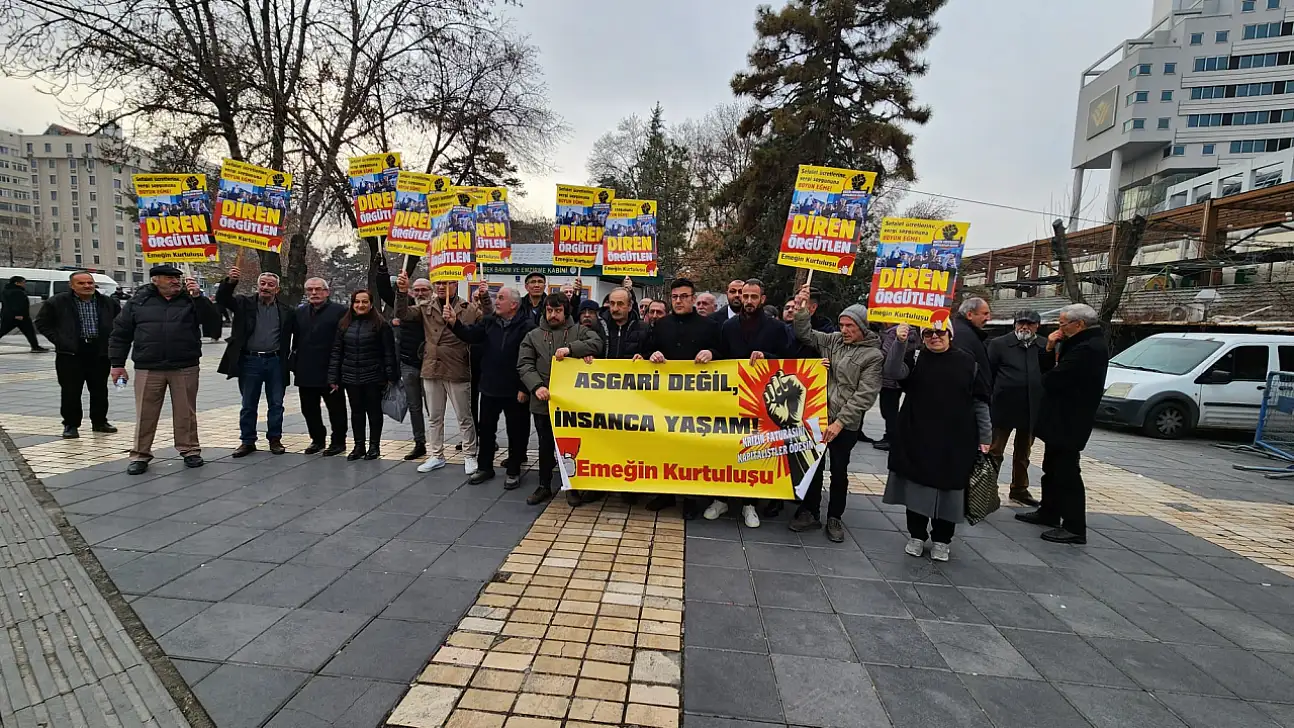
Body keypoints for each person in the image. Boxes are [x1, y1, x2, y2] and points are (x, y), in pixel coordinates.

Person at [882, 319, 991, 562]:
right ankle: (917, 535)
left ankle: (942, 539)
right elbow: (892, 372)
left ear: (949, 334)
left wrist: (985, 436)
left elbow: (980, 402)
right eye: (928, 333)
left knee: (949, 491)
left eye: (940, 332)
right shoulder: (917, 357)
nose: (934, 337)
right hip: (917, 434)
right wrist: (900, 343)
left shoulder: (968, 362)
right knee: (916, 488)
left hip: (955, 438)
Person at [788, 286, 884, 541]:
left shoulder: (873, 356)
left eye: (850, 326)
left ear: (863, 327)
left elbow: (864, 395)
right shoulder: (833, 342)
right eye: (842, 325)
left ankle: (835, 517)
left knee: (839, 471)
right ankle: (810, 512)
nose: (844, 330)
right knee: (814, 467)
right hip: (820, 418)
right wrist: (801, 309)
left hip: (846, 425)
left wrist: (840, 423)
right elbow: (805, 333)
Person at [109, 264, 216, 475]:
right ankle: (140, 454)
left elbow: (212, 322)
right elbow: (120, 333)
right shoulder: (138, 301)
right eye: (169, 278)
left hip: (185, 365)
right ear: (155, 280)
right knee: (145, 413)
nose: (175, 281)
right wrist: (117, 364)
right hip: (148, 366)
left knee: (186, 412)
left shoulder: (190, 299)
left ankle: (190, 450)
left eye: (177, 278)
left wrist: (199, 298)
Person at [1016, 303, 1109, 545]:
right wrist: (1049, 348)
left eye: (1063, 324)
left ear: (1079, 324)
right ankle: (1049, 511)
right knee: (1052, 467)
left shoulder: (1089, 348)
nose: (1060, 328)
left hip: (1071, 420)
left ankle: (1074, 526)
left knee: (1067, 473)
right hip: (1059, 418)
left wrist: (1048, 353)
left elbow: (1052, 379)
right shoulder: (1079, 342)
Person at [706, 278, 790, 528]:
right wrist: (711, 354)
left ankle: (749, 503)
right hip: (730, 398)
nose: (749, 301)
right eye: (745, 296)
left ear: (762, 299)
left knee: (754, 451)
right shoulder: (729, 326)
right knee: (726, 448)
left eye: (754, 297)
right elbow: (721, 354)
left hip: (762, 402)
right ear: (740, 298)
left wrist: (767, 357)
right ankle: (720, 499)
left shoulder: (776, 328)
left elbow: (789, 361)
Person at [638, 278, 721, 519]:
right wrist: (651, 355)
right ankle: (665, 495)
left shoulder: (709, 326)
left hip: (697, 401)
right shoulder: (660, 325)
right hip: (665, 400)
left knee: (692, 449)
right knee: (664, 446)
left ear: (693, 299)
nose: (679, 301)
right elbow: (645, 352)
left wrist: (711, 353)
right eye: (675, 297)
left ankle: (691, 499)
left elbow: (725, 353)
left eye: (684, 296)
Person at [396, 273, 490, 475]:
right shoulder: (426, 306)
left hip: (457, 366)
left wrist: (484, 297)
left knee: (464, 416)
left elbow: (488, 321)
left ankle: (469, 455)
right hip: (432, 366)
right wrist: (402, 292)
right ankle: (436, 455)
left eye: (446, 283)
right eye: (438, 283)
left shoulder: (468, 308)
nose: (441, 287)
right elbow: (402, 314)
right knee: (435, 416)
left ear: (455, 284)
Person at [518, 291, 602, 506]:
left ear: (566, 312)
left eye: (557, 311)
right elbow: (525, 364)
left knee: (569, 446)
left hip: (571, 404)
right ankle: (544, 485)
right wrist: (536, 386)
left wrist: (572, 349)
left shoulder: (580, 331)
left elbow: (596, 344)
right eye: (549, 310)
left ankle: (571, 486)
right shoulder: (533, 335)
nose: (553, 315)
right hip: (543, 402)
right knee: (545, 445)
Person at [448, 286, 535, 488]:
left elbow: (530, 359)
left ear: (513, 305)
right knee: (486, 431)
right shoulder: (489, 322)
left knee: (517, 432)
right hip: (489, 387)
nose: (496, 301)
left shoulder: (527, 327)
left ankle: (513, 470)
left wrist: (524, 387)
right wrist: (454, 323)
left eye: (501, 298)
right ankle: (485, 467)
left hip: (515, 390)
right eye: (497, 297)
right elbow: (470, 335)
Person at [217, 267, 296, 458]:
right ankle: (247, 441)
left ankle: (275, 439)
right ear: (257, 286)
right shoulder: (244, 304)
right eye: (263, 284)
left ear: (277, 289)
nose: (265, 287)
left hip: (276, 362)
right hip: (250, 361)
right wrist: (230, 282)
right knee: (248, 404)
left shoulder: (286, 311)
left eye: (270, 285)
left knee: (276, 403)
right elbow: (223, 299)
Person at [35, 271, 121, 439]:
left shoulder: (108, 302)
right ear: (72, 285)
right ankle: (71, 424)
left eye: (90, 282)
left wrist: (111, 342)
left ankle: (99, 422)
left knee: (99, 390)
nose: (87, 286)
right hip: (70, 353)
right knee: (70, 391)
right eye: (81, 283)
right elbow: (41, 323)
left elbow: (120, 323)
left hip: (99, 352)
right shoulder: (58, 302)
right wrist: (60, 341)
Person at [327, 289, 399, 461]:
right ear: (352, 304)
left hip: (374, 377)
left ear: (371, 304)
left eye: (364, 302)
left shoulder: (381, 325)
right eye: (357, 302)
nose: (360, 305)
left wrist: (391, 377)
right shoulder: (344, 324)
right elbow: (337, 351)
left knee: (374, 412)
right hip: (351, 376)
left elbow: (389, 353)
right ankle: (359, 446)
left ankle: (374, 446)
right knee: (356, 412)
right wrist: (333, 377)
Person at [986, 310, 1049, 506]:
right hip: (1003, 406)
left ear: (1037, 326)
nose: (1025, 327)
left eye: (1030, 324)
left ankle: (1019, 489)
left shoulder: (1044, 345)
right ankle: (987, 489)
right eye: (1021, 323)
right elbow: (989, 373)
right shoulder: (999, 344)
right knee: (995, 451)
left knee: (1024, 452)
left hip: (1031, 407)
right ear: (1014, 324)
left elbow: (1048, 372)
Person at [293, 277, 349, 456]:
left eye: (318, 289)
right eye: (309, 290)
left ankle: (338, 441)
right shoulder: (299, 312)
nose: (314, 293)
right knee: (309, 409)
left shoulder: (340, 311)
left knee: (336, 409)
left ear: (327, 292)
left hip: (331, 370)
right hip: (306, 369)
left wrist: (339, 369)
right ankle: (317, 439)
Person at [394, 278, 433, 461]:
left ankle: (437, 443)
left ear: (431, 291)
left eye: (424, 289)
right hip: (409, 365)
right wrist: (401, 291)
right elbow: (401, 312)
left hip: (431, 366)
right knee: (414, 407)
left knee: (433, 408)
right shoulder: (409, 310)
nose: (420, 293)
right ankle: (419, 443)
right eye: (416, 290)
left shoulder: (437, 310)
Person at [873, 323, 915, 452]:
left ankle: (891, 438)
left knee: (889, 410)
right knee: (890, 410)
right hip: (895, 379)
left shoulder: (894, 332)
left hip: (890, 380)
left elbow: (886, 353)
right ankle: (891, 436)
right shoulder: (908, 331)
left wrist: (873, 352)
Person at [952, 297, 993, 397]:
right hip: (971, 398)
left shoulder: (966, 332)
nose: (988, 318)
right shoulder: (962, 334)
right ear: (969, 315)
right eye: (985, 314)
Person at [1, 276, 48, 352]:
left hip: (9, 315)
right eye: (23, 282)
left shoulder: (6, 290)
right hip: (19, 316)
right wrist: (19, 314)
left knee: (29, 331)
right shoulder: (17, 292)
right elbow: (16, 304)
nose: (24, 284)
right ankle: (35, 347)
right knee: (29, 331)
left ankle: (35, 346)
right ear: (17, 283)